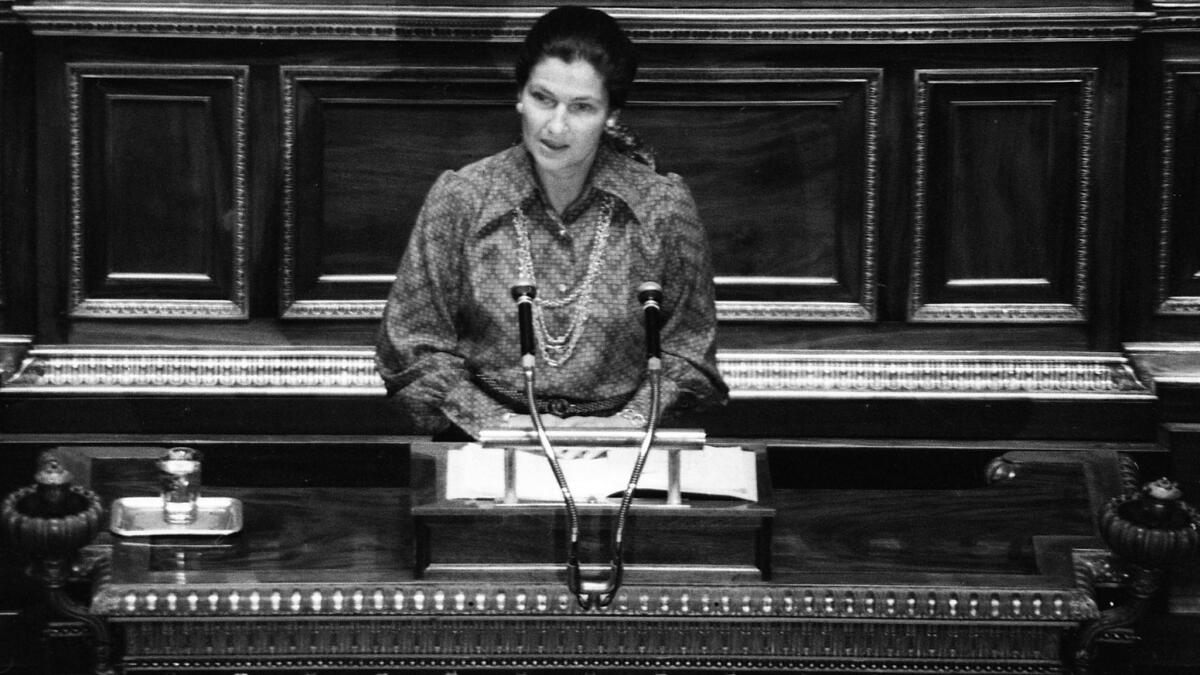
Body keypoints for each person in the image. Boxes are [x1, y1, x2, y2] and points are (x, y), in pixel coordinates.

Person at [375, 5, 727, 440]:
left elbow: (689, 354)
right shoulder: (463, 197)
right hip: (482, 441)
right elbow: (412, 348)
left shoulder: (661, 205)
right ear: (520, 95)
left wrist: (622, 427)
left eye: (581, 107)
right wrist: (506, 429)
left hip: (622, 449)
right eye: (543, 99)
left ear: (611, 115)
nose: (556, 126)